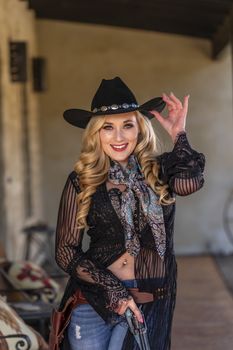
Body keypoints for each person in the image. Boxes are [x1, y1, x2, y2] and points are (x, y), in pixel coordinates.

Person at [54, 77, 205, 350]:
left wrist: (179, 135)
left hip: (148, 299)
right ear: (96, 134)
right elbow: (65, 250)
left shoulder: (162, 169)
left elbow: (188, 184)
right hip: (95, 298)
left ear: (140, 128)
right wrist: (113, 290)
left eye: (127, 125)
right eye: (108, 128)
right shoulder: (82, 180)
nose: (119, 136)